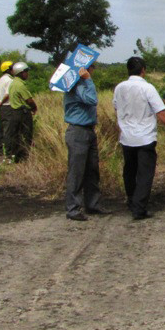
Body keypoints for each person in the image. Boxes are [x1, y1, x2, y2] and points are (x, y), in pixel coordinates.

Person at [114, 56, 165, 220]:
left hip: (126, 136)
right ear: (143, 70)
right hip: (145, 137)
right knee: (145, 173)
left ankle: (131, 200)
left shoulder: (119, 88)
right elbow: (160, 112)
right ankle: (139, 208)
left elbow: (116, 108)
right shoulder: (147, 88)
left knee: (129, 170)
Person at [62, 65, 104, 221]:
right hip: (78, 131)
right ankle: (73, 208)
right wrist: (88, 80)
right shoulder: (77, 85)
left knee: (92, 170)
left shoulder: (79, 84)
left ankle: (92, 204)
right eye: (92, 67)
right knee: (77, 171)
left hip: (87, 130)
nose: (93, 69)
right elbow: (92, 100)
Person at [5, 61, 37, 162]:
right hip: (23, 113)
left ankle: (14, 156)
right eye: (26, 71)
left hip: (14, 112)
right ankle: (23, 157)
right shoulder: (20, 85)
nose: (27, 74)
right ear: (21, 72)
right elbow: (29, 100)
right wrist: (34, 107)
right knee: (26, 135)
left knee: (15, 135)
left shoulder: (13, 83)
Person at [0, 60, 14, 157]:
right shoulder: (9, 80)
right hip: (8, 106)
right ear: (8, 70)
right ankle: (8, 153)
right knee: (8, 130)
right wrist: (1, 103)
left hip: (2, 108)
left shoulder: (1, 79)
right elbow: (7, 94)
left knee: (1, 129)